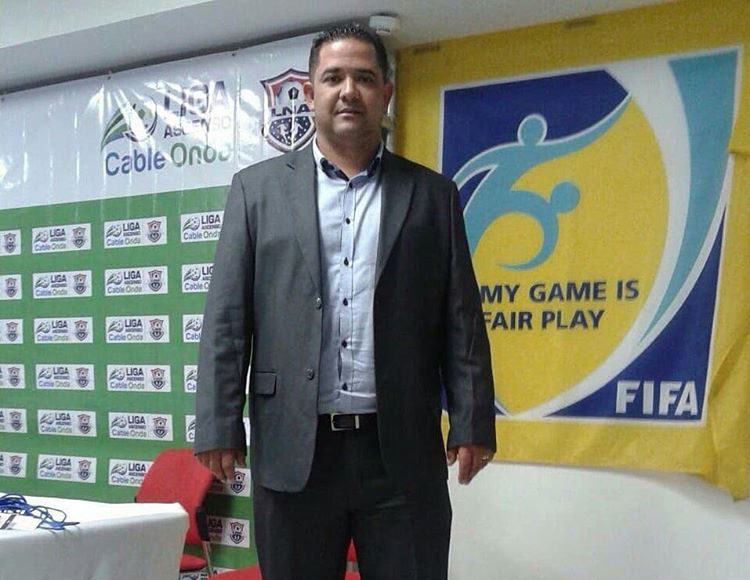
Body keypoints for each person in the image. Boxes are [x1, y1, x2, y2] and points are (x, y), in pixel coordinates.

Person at [194, 22, 496, 580]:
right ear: (309, 94)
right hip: (294, 453)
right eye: (333, 78)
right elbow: (228, 321)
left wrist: (472, 419)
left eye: (364, 77)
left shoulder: (432, 195)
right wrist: (218, 425)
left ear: (386, 93)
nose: (348, 91)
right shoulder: (256, 191)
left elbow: (461, 319)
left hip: (401, 452)